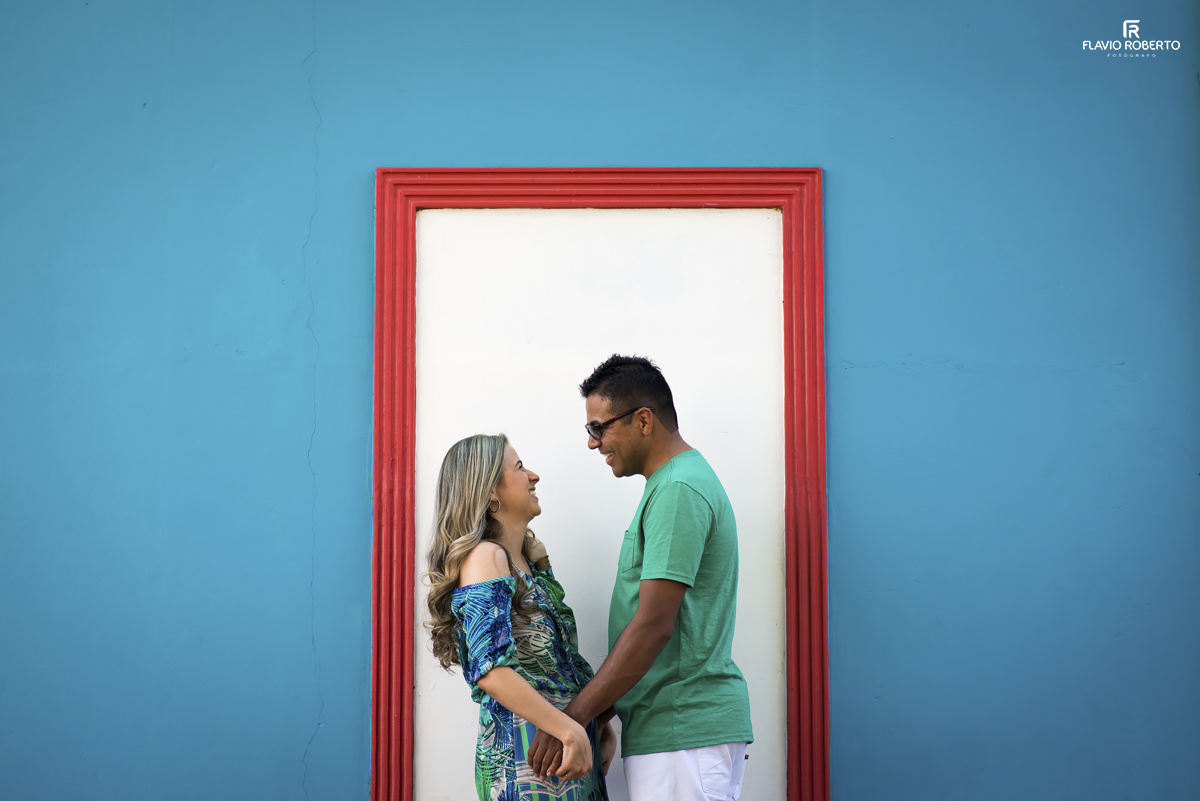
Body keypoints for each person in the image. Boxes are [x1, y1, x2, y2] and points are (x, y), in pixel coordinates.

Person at [527, 355, 753, 801]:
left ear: (644, 420)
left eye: (599, 427)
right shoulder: (671, 485)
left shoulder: (677, 491)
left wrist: (573, 719)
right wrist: (603, 715)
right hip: (672, 733)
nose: (593, 443)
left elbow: (653, 627)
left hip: (682, 731)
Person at [425, 433, 614, 801]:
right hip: (526, 757)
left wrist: (596, 725)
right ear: (490, 492)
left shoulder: (524, 562)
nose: (533, 476)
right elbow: (491, 670)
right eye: (519, 467)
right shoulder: (485, 557)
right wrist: (569, 729)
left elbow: (557, 664)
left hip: (557, 753)